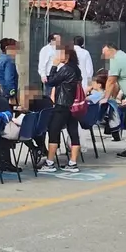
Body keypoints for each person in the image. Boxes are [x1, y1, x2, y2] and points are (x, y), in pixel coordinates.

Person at [39, 45, 83, 174]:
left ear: (67, 56)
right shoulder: (77, 69)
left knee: (54, 131)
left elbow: (50, 81)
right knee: (73, 132)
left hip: (62, 104)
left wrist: (53, 66)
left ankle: (50, 162)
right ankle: (73, 163)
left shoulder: (66, 69)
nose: (58, 57)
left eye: (60, 55)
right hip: (73, 106)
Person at [0, 38, 20, 107]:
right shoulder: (9, 61)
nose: (16, 51)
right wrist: (11, 95)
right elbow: (9, 79)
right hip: (4, 94)